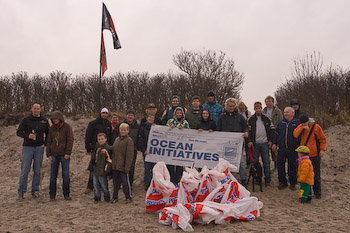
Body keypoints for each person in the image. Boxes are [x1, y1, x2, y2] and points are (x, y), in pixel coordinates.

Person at [16, 103, 49, 199]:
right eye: (34, 108)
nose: (36, 110)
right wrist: (27, 136)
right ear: (32, 109)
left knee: (37, 170)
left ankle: (35, 190)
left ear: (40, 109)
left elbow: (48, 133)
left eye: (38, 108)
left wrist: (45, 143)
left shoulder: (44, 120)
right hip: (27, 147)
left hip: (39, 148)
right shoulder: (26, 120)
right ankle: (21, 192)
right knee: (25, 170)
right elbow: (19, 132)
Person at [293, 114, 326, 199]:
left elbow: (322, 139)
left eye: (305, 123)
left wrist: (322, 150)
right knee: (305, 175)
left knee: (316, 174)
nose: (304, 124)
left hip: (314, 154)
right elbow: (295, 135)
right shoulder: (301, 127)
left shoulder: (316, 127)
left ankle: (317, 193)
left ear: (308, 121)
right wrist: (302, 128)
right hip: (304, 156)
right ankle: (308, 193)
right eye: (302, 123)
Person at [217, 98, 248, 187]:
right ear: (226, 106)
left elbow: (245, 127)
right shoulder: (221, 117)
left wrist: (246, 132)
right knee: (226, 163)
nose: (231, 107)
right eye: (229, 106)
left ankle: (243, 180)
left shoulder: (240, 117)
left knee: (241, 163)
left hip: (237, 145)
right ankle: (227, 180)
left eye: (233, 106)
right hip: (225, 145)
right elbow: (218, 129)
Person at [46, 111, 74, 201]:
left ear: (60, 119)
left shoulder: (67, 127)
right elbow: (48, 141)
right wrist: (48, 154)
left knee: (65, 175)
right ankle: (52, 195)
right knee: (53, 176)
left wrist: (68, 153)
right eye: (53, 119)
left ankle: (66, 194)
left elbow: (70, 140)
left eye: (56, 119)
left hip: (64, 154)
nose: (55, 120)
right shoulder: (51, 128)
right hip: (53, 154)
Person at [84, 107, 112, 194]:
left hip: (105, 149)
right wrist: (88, 147)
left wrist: (109, 147)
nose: (104, 114)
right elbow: (88, 135)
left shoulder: (108, 124)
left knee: (103, 167)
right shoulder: (93, 123)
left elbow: (110, 136)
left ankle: (101, 186)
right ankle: (90, 186)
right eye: (103, 113)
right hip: (95, 148)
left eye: (106, 113)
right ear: (100, 113)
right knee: (94, 167)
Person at [272, 107, 300, 190]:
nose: (285, 114)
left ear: (292, 113)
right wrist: (274, 143)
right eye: (284, 112)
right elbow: (276, 134)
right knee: (280, 165)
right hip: (282, 148)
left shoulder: (296, 123)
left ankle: (293, 183)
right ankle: (283, 182)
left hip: (293, 148)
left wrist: (299, 145)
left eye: (287, 112)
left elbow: (300, 135)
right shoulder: (281, 123)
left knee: (292, 166)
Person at [247, 102, 274, 186]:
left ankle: (268, 180)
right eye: (256, 108)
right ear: (254, 109)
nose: (258, 109)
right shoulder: (250, 119)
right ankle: (257, 179)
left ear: (261, 109)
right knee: (255, 162)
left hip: (265, 143)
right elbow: (247, 131)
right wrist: (249, 141)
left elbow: (272, 130)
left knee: (266, 162)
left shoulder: (267, 118)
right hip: (255, 144)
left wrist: (270, 140)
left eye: (259, 108)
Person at [112, 109, 140, 187]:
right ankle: (120, 183)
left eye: (132, 115)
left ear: (134, 116)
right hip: (120, 149)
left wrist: (138, 146)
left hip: (132, 149)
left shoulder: (137, 126)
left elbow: (139, 137)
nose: (130, 116)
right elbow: (114, 135)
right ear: (126, 115)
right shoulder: (120, 125)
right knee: (120, 166)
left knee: (131, 167)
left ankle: (129, 183)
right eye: (128, 115)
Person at [111, 123, 134, 203]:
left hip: (123, 166)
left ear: (128, 131)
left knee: (125, 183)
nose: (123, 131)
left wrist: (127, 168)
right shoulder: (117, 139)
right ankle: (115, 197)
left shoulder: (129, 141)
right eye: (121, 130)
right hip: (115, 165)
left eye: (124, 130)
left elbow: (129, 155)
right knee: (115, 183)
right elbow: (113, 150)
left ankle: (128, 197)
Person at [166, 107, 189, 184]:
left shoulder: (185, 123)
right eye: (177, 113)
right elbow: (165, 132)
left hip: (181, 146)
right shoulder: (170, 121)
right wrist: (170, 128)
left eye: (180, 113)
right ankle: (171, 179)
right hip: (171, 146)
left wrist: (183, 130)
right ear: (175, 114)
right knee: (170, 163)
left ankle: (178, 180)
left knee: (179, 164)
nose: (179, 114)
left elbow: (188, 133)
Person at [88, 133, 112, 203]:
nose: (100, 140)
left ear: (105, 139)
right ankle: (97, 197)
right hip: (95, 167)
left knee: (103, 184)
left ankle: (107, 197)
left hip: (102, 168)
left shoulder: (107, 148)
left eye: (102, 139)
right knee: (95, 184)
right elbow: (93, 157)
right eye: (99, 139)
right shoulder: (97, 146)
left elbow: (109, 160)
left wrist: (106, 169)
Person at [262, 96, 283, 172]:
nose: (268, 103)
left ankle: (277, 166)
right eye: (267, 101)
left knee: (275, 150)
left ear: (273, 102)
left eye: (269, 101)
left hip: (275, 131)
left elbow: (280, 121)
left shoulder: (278, 111)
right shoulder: (263, 111)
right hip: (266, 132)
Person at [139, 113, 156, 190]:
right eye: (150, 117)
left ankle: (153, 182)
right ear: (147, 118)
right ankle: (147, 183)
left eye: (152, 118)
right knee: (147, 167)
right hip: (146, 151)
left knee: (154, 168)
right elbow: (141, 139)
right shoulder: (143, 128)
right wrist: (143, 149)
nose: (151, 119)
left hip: (154, 151)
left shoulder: (156, 128)